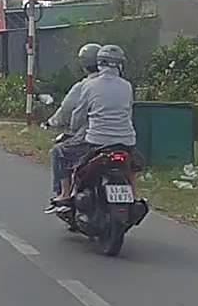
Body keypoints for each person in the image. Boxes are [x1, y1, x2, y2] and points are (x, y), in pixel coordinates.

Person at [51, 44, 137, 213]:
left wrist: (74, 129)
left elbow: (78, 114)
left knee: (60, 152)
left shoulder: (89, 86)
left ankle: (65, 194)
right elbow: (129, 112)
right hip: (126, 141)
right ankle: (134, 195)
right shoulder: (127, 86)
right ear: (120, 64)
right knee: (133, 166)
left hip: (96, 141)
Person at [42, 43, 102, 213]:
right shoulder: (122, 84)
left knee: (59, 152)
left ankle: (64, 194)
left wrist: (51, 122)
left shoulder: (85, 86)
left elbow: (68, 111)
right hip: (123, 138)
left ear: (83, 64)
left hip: (91, 135)